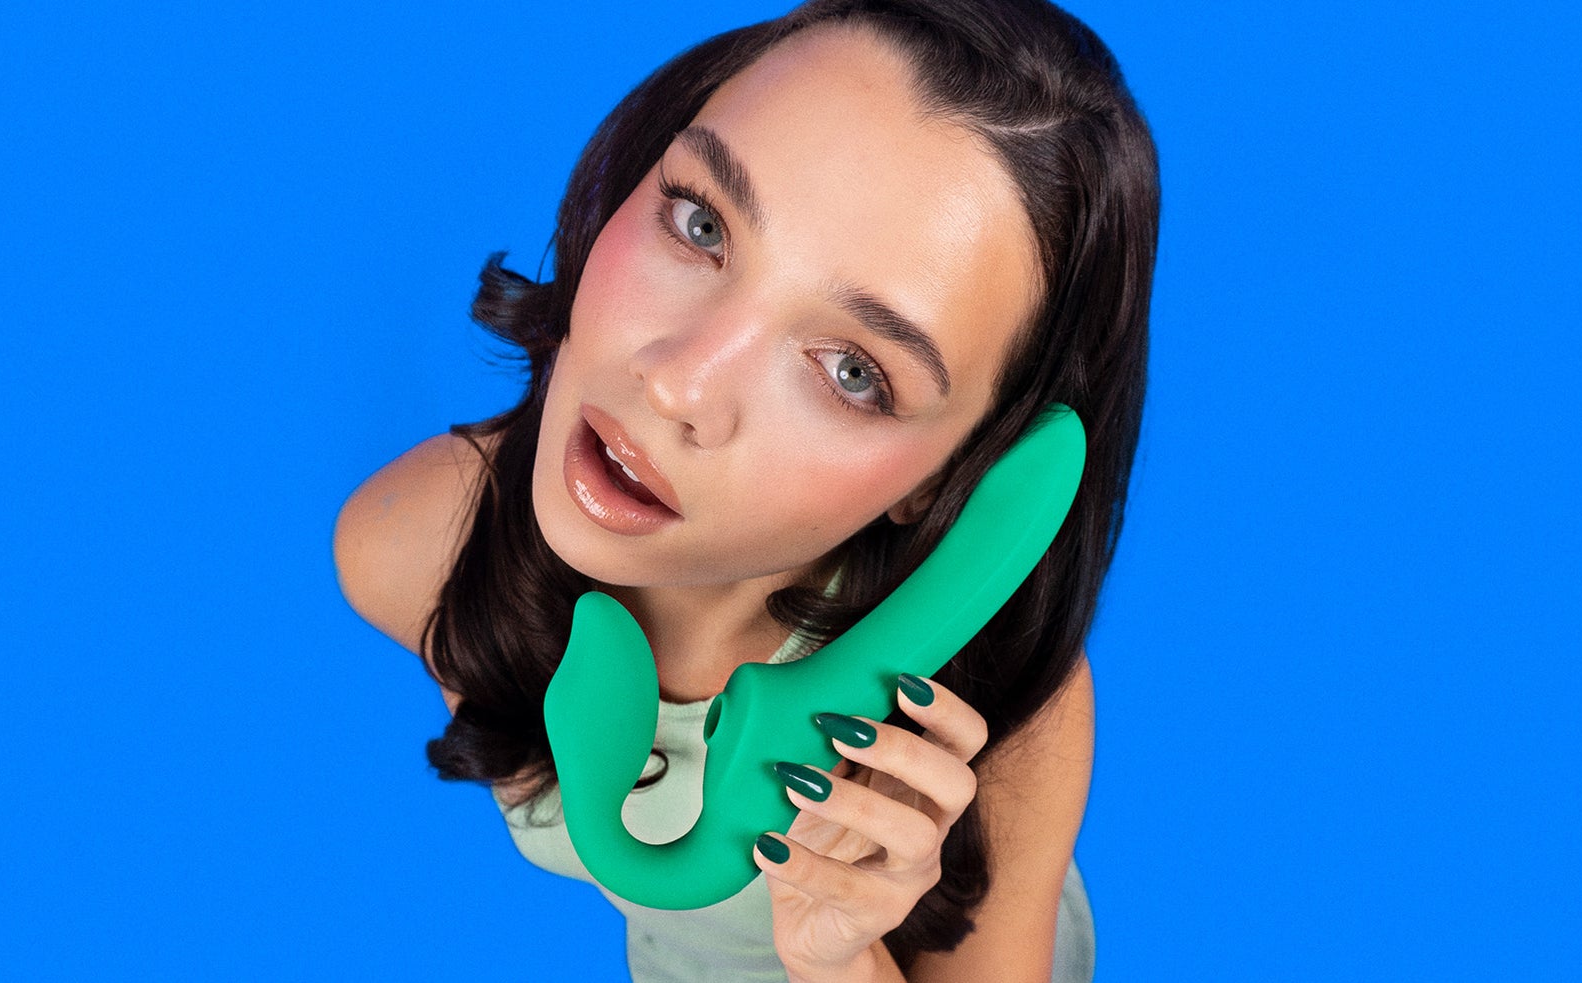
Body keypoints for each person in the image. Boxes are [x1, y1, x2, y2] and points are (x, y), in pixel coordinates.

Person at [333, 0, 1156, 979]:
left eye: (853, 371)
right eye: (701, 224)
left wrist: (839, 957)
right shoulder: (416, 546)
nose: (678, 384)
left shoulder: (999, 702)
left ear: (961, 477)